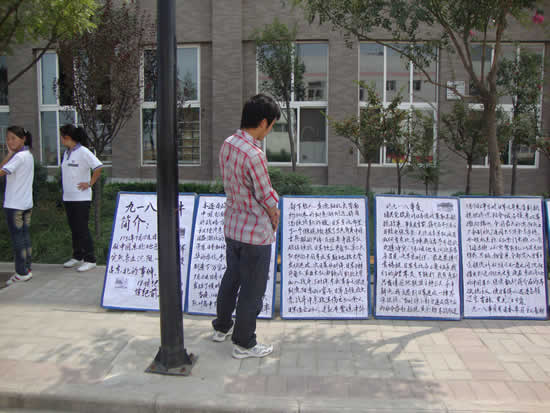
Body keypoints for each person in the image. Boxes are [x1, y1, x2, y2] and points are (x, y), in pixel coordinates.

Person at [212, 94, 281, 359]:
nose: (270, 130)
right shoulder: (254, 154)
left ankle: (221, 327)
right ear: (263, 122)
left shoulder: (228, 144)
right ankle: (244, 343)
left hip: (233, 227)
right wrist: (275, 215)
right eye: (271, 125)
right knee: (252, 288)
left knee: (232, 277)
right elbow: (266, 195)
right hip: (254, 233)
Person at [59, 124, 103, 272]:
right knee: (74, 228)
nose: (60, 139)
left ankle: (90, 259)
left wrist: (90, 183)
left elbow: (98, 167)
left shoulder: (83, 151)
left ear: (67, 137)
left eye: (61, 136)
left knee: (82, 228)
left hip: (81, 198)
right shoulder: (66, 153)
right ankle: (77, 256)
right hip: (68, 197)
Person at [0, 126, 34, 286]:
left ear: (23, 139)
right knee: (25, 237)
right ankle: (27, 269)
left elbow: (1, 171)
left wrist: (8, 155)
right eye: (8, 138)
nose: (10, 141)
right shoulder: (28, 155)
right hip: (26, 204)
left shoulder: (19, 157)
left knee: (18, 240)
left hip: (14, 205)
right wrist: (10, 154)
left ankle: (21, 272)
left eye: (13, 138)